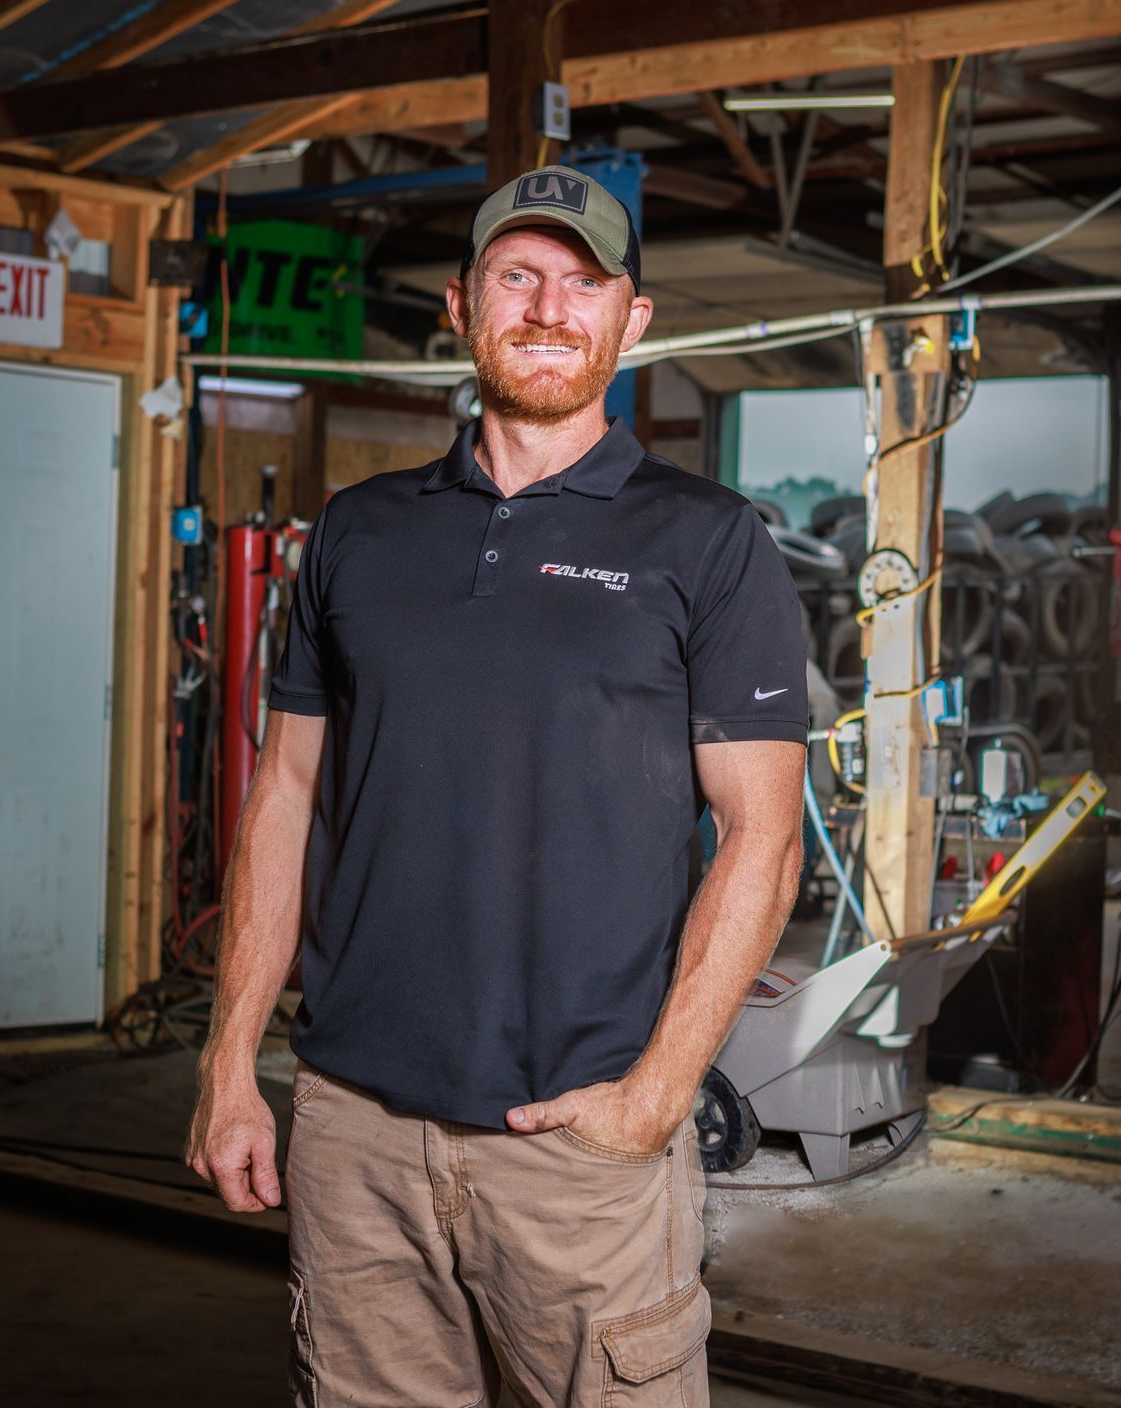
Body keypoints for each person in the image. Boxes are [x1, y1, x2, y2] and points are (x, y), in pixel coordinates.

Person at [185, 165, 807, 1407]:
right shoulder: (360, 533)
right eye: (519, 276)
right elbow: (286, 799)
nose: (549, 307)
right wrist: (228, 1063)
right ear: (465, 305)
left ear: (631, 324)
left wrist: (655, 1099)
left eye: (585, 283)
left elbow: (764, 838)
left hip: (578, 1148)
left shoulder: (709, 540)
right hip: (356, 1131)